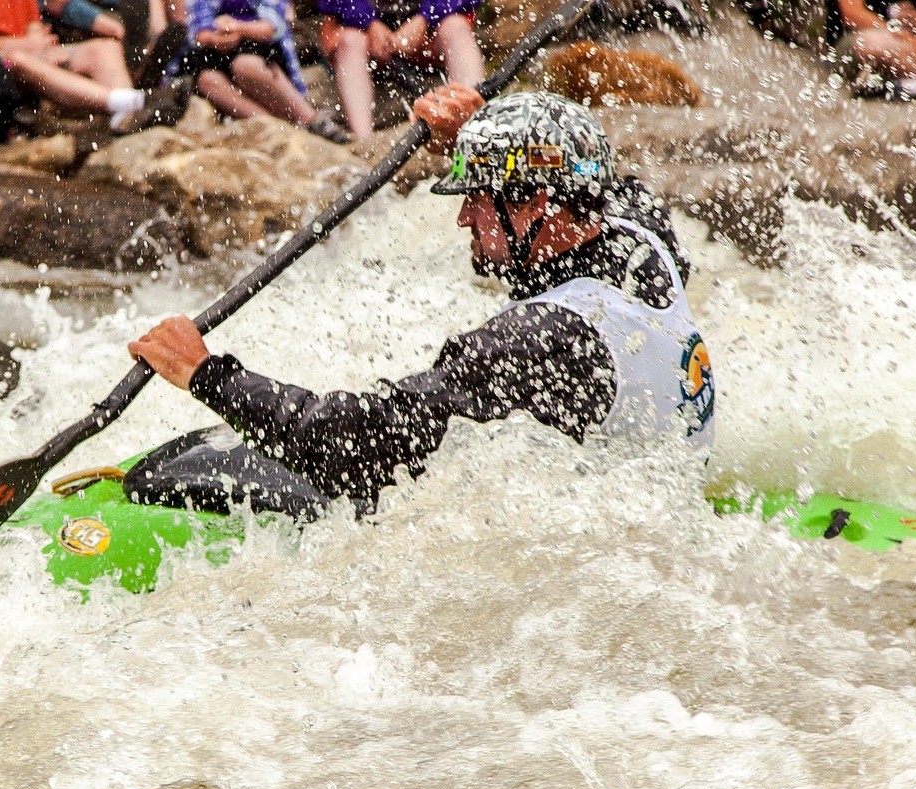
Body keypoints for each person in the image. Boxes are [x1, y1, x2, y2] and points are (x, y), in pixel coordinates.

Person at [128, 84, 716, 507]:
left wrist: (206, 374)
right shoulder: (644, 239)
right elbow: (604, 179)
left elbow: (360, 442)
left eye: (479, 196)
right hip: (666, 499)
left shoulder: (542, 340)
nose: (464, 217)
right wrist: (483, 131)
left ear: (534, 203)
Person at [0, 0, 189, 133]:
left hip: (29, 52)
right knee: (21, 60)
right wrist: (17, 46)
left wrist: (42, 44)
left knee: (103, 49)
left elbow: (32, 25)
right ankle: (134, 101)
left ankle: (123, 120)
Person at [161, 0, 349, 141]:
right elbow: (198, 30)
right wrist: (214, 39)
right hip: (217, 51)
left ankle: (312, 120)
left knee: (245, 66)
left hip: (259, 47)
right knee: (207, 79)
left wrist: (239, 28)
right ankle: (275, 128)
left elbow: (272, 27)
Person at [317, 0, 485, 140]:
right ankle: (364, 139)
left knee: (455, 27)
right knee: (350, 40)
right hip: (365, 35)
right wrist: (368, 23)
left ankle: (476, 118)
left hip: (429, 33)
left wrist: (425, 18)